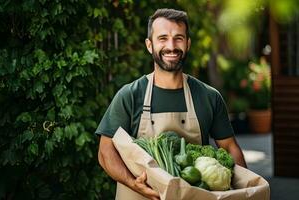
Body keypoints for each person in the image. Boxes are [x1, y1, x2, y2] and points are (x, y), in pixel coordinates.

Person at [96, 8, 247, 200]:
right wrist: (133, 183)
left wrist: (244, 191)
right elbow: (105, 151)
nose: (171, 46)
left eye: (178, 38)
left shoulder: (209, 96)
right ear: (149, 45)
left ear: (188, 43)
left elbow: (230, 148)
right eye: (163, 38)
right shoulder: (130, 95)